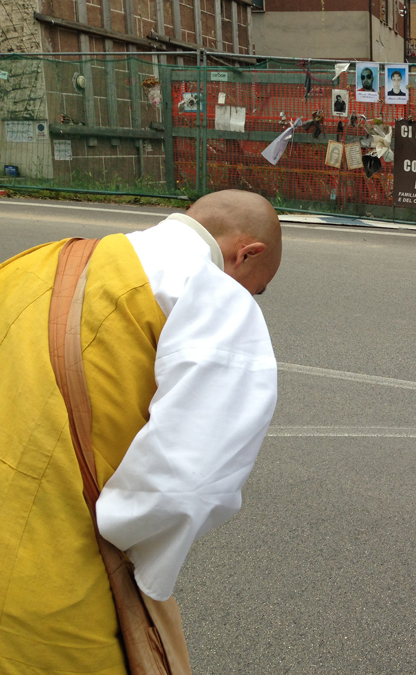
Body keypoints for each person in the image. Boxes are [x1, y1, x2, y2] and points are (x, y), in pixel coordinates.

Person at [0, 189, 282, 675]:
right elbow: (184, 487)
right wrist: (141, 568)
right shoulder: (209, 294)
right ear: (247, 253)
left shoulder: (31, 264)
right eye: (257, 287)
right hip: (54, 610)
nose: (251, 296)